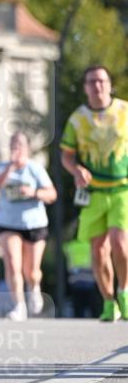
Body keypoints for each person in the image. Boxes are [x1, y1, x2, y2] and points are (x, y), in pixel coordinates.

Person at [60, 64, 128, 321]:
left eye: (102, 81)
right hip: (93, 193)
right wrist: (76, 169)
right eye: (92, 82)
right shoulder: (77, 119)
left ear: (110, 85)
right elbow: (66, 155)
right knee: (98, 251)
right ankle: (109, 302)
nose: (97, 86)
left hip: (122, 189)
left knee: (120, 244)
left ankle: (124, 291)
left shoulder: (124, 111)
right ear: (85, 88)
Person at [0, 132, 57, 320]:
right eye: (13, 144)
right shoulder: (2, 167)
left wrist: (33, 192)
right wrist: (11, 167)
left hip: (34, 224)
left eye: (20, 145)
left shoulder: (35, 169)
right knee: (12, 264)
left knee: (32, 271)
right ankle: (19, 306)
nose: (16, 148)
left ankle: (34, 287)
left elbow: (52, 195)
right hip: (8, 223)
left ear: (27, 148)